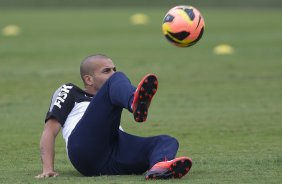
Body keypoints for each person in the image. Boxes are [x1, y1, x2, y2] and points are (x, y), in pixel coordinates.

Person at [36, 54, 192, 179]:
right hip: (85, 150)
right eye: (106, 71)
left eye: (113, 69)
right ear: (88, 79)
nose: (112, 73)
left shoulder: (113, 93)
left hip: (115, 151)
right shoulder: (70, 91)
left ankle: (159, 167)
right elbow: (49, 131)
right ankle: (134, 103)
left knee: (166, 141)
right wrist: (47, 169)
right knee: (116, 80)